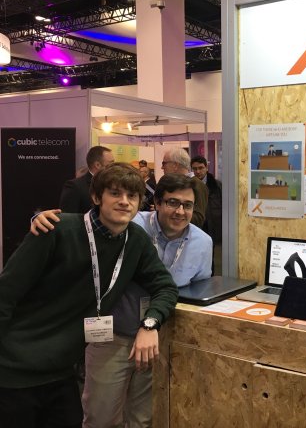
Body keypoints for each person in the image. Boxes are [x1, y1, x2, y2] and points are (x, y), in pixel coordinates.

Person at [0, 163, 178, 428]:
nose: (124, 202)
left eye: (132, 196)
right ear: (96, 197)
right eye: (115, 193)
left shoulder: (135, 241)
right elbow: (6, 293)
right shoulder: (56, 230)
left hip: (61, 372)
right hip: (14, 371)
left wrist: (150, 324)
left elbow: (165, 287)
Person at [31, 173, 212, 428]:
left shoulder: (202, 243)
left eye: (188, 205)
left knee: (143, 418)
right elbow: (85, 226)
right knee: (100, 416)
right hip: (111, 336)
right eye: (172, 202)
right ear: (156, 203)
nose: (180, 211)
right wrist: (40, 218)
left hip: (156, 340)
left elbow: (195, 291)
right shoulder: (131, 223)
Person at [161, 148, 208, 228]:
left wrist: (168, 214)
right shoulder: (173, 184)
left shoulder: (197, 185)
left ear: (175, 165)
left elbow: (198, 219)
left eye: (164, 163)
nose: (162, 167)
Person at [60, 146, 115, 213]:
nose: (115, 166)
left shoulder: (114, 184)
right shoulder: (75, 186)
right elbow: (68, 218)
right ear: (97, 165)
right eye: (111, 163)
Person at [191, 155, 222, 247]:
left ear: (206, 168)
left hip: (214, 225)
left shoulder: (217, 186)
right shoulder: (189, 186)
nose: (198, 171)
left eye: (201, 168)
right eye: (195, 169)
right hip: (197, 224)